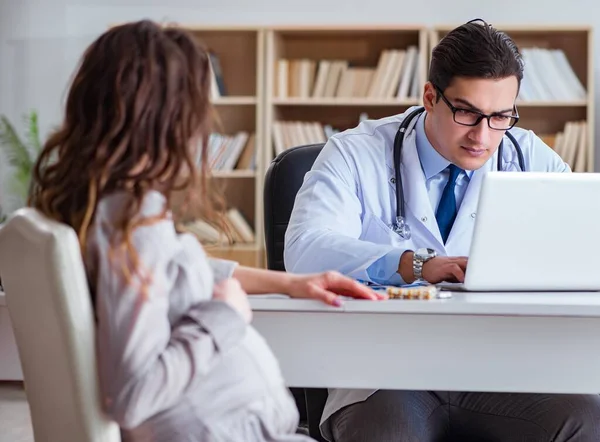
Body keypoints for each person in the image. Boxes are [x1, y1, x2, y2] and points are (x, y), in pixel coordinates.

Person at [28, 20, 385, 442]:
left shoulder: (105, 208)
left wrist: (292, 283)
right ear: (165, 118)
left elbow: (177, 268)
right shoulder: (134, 225)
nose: (205, 127)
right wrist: (225, 315)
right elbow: (131, 394)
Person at [284, 19, 600, 442]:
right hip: (385, 372)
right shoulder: (354, 154)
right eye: (467, 112)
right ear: (430, 97)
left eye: (501, 116)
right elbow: (305, 250)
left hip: (500, 369)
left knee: (587, 420)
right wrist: (415, 264)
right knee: (392, 433)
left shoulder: (528, 158)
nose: (483, 136)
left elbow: (583, 250)